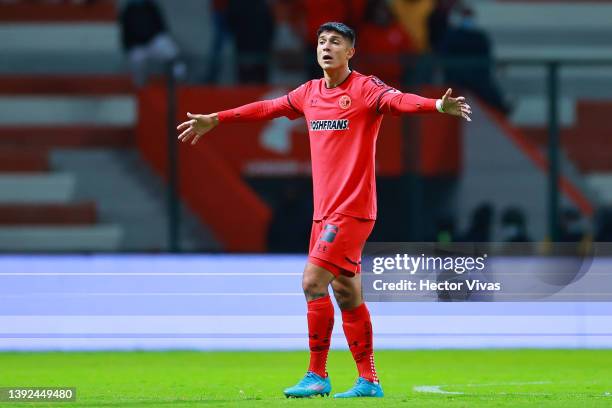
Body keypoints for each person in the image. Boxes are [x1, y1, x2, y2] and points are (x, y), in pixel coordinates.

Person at [177, 21, 471, 399]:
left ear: (351, 52)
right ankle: (369, 381)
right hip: (324, 214)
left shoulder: (366, 88)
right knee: (347, 294)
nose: (326, 47)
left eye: (335, 42)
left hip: (352, 211)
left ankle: (317, 374)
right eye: (321, 41)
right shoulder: (310, 93)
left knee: (311, 282)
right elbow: (268, 107)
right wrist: (217, 118)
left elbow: (398, 101)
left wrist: (435, 105)